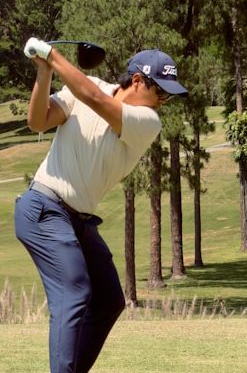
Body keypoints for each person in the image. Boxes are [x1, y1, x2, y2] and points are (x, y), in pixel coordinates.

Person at [14, 37, 188, 373]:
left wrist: (52, 55)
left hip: (77, 221)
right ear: (137, 80)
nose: (163, 101)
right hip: (43, 209)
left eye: (168, 96)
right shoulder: (87, 87)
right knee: (74, 291)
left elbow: (92, 98)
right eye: (161, 92)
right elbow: (38, 121)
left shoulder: (147, 121)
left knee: (108, 300)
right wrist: (44, 72)